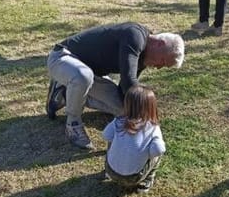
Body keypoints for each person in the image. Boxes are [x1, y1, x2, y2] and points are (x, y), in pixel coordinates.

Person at [46, 22, 185, 149]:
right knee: (83, 76)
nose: (159, 67)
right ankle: (73, 124)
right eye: (162, 61)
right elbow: (128, 81)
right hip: (63, 58)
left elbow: (124, 91)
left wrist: (135, 115)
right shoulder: (134, 36)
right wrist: (146, 113)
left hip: (91, 74)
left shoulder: (145, 55)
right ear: (160, 43)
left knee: (123, 109)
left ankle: (64, 93)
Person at [102, 85, 165, 193]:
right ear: (152, 106)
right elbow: (159, 150)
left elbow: (106, 135)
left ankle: (107, 173)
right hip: (134, 178)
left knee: (112, 140)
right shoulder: (152, 128)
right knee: (158, 156)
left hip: (111, 171)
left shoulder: (118, 121)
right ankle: (145, 182)